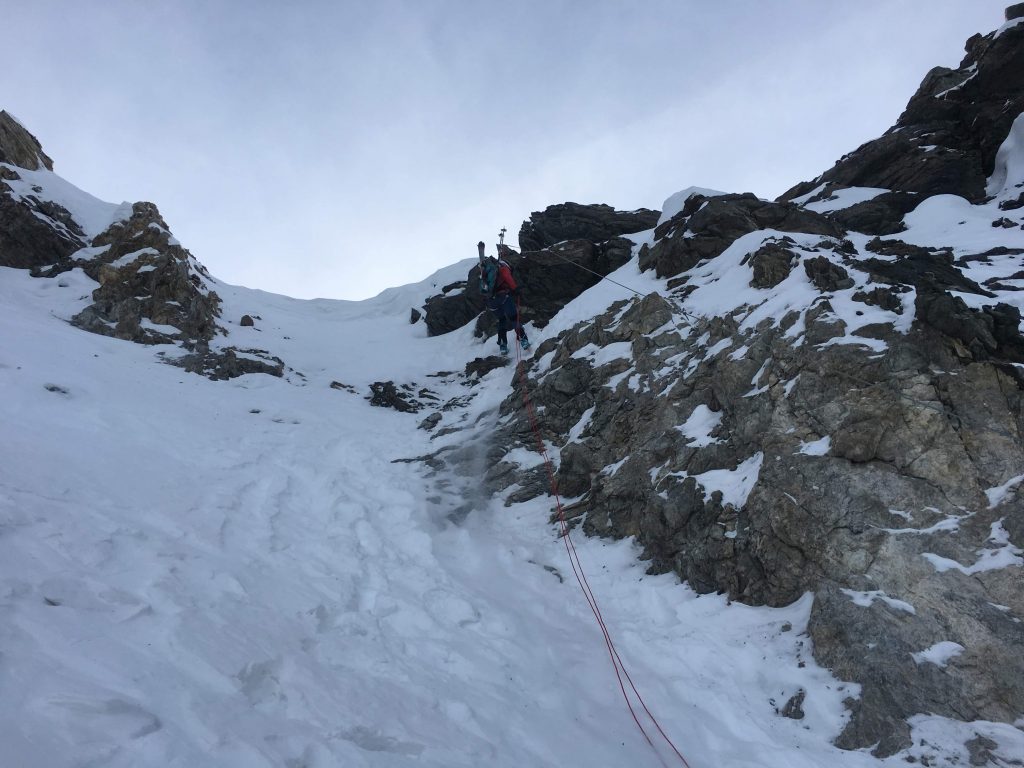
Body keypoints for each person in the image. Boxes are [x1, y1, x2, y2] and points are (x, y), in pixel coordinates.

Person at [481, 244, 530, 355]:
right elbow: (508, 278)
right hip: (502, 297)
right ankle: (523, 339)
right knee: (513, 318)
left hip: (491, 302)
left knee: (502, 320)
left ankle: (503, 345)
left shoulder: (487, 273)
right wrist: (515, 289)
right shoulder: (503, 268)